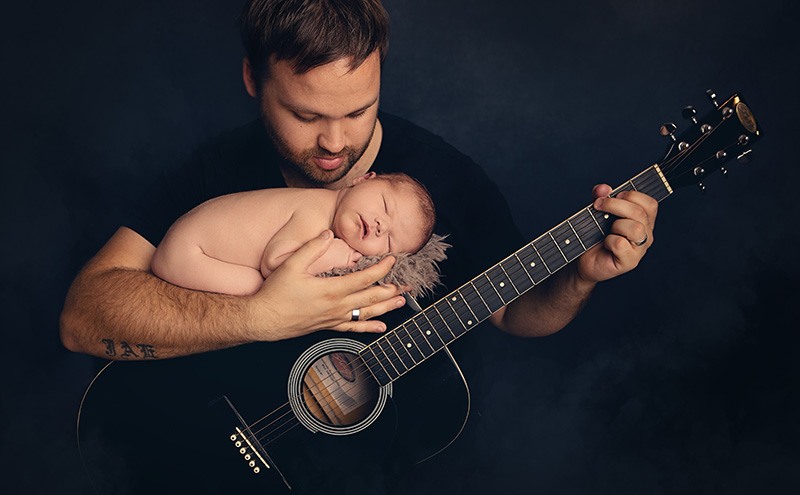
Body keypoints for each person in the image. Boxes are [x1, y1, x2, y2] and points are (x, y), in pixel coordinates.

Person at [60, 0, 656, 361]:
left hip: (375, 480)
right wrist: (258, 318)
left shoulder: (440, 175)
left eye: (357, 110)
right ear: (252, 80)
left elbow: (514, 314)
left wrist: (580, 278)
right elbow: (84, 316)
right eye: (305, 115)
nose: (335, 143)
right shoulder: (214, 167)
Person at [150, 171, 435, 296]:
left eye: (388, 241)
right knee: (264, 292)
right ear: (363, 179)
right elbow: (275, 263)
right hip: (186, 254)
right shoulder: (314, 212)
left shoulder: (322, 206)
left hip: (189, 244)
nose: (380, 225)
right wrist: (328, 256)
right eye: (384, 205)